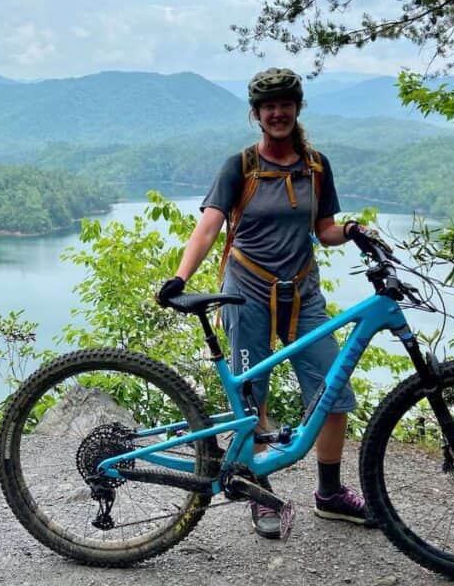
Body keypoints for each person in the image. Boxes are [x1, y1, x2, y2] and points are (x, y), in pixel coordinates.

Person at [156, 67, 372, 539]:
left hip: (302, 291)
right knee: (252, 403)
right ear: (256, 115)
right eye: (268, 107)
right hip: (245, 290)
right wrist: (180, 276)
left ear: (298, 109)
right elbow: (211, 224)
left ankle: (330, 494)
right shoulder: (241, 166)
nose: (277, 113)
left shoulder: (315, 165)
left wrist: (352, 231)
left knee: (332, 393)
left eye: (285, 104)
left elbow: (324, 230)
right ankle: (260, 494)